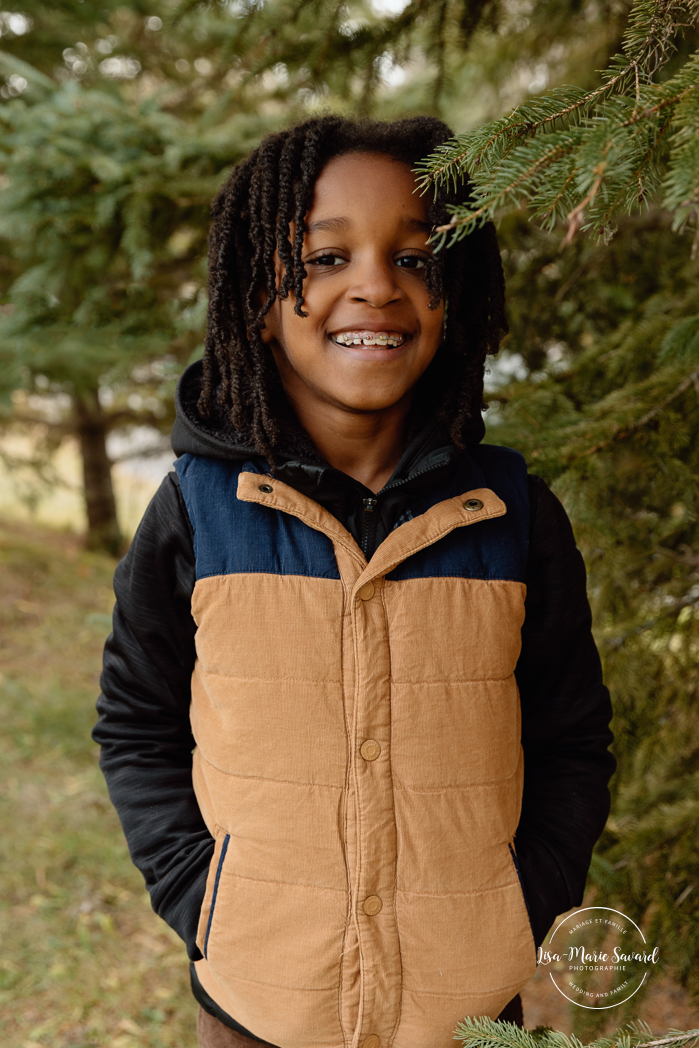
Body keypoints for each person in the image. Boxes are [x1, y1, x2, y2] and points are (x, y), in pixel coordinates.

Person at [93, 115, 615, 1048]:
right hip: (258, 1002)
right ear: (258, 298)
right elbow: (136, 721)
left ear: (453, 297)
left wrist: (520, 907)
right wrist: (202, 896)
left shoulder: (512, 516)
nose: (375, 285)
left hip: (465, 1008)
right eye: (325, 257)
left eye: (416, 259)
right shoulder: (196, 511)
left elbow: (570, 737)